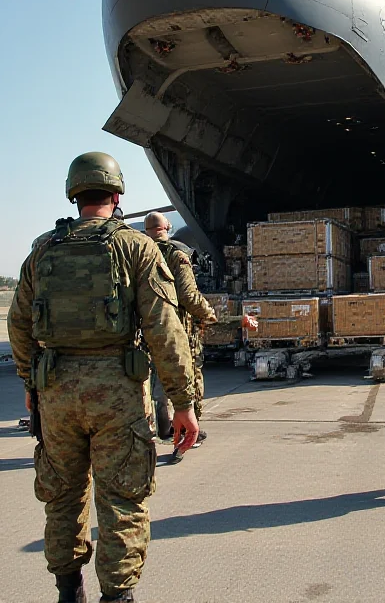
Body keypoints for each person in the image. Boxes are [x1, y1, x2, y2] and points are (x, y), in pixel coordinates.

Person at [8, 152, 198, 603]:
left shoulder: (42, 249)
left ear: (75, 195)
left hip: (56, 394)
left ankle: (68, 591)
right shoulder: (135, 247)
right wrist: (184, 401)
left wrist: (31, 386)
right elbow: (165, 331)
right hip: (118, 394)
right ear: (116, 195)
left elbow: (18, 325)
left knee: (62, 498)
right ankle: (118, 596)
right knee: (123, 500)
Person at [143, 211, 257, 463]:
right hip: (178, 334)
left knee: (157, 390)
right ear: (167, 228)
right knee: (189, 387)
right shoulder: (176, 253)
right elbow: (190, 298)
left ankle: (164, 430)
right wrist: (219, 318)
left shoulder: (136, 253)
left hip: (145, 333)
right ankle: (183, 441)